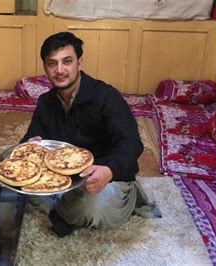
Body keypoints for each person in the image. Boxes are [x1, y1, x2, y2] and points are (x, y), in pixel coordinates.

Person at [21, 32, 157, 237]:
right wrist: (30, 144)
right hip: (64, 179)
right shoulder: (45, 101)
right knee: (12, 186)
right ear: (45, 68)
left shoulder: (106, 96)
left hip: (105, 177)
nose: (60, 70)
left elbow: (131, 142)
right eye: (52, 63)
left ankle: (68, 209)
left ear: (79, 62)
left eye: (67, 61)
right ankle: (64, 205)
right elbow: (31, 140)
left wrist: (109, 170)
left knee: (92, 209)